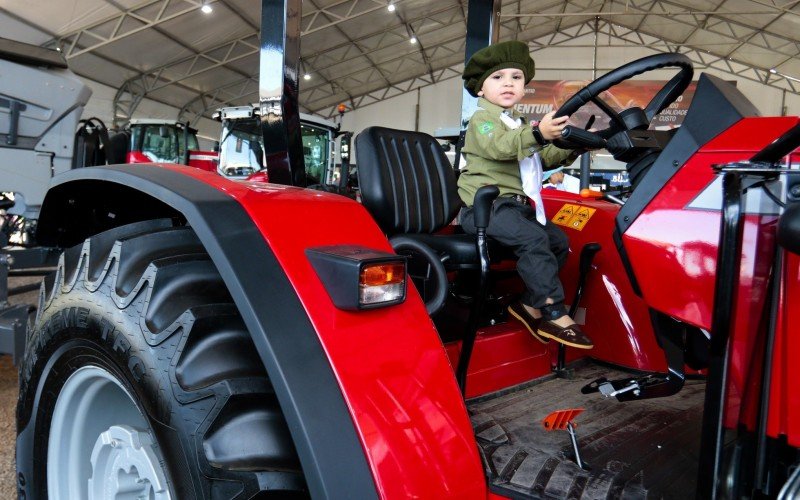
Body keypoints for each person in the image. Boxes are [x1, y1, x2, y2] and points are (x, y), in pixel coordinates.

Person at [458, 40, 593, 349]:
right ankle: (553, 310)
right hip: (485, 208)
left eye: (516, 77)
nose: (508, 83)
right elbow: (500, 147)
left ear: (524, 86)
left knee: (559, 241)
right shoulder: (484, 120)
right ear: (480, 89)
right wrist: (536, 134)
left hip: (516, 208)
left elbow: (540, 159)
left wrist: (571, 146)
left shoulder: (516, 123)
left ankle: (527, 304)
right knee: (534, 240)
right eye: (497, 77)